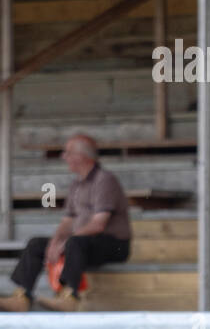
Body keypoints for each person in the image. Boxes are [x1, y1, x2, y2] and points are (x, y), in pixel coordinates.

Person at [0, 134, 131, 313]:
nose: (64, 157)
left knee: (74, 242)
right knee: (36, 244)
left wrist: (65, 242)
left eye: (68, 153)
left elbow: (99, 224)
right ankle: (22, 296)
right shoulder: (76, 184)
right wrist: (55, 242)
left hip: (113, 244)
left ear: (82, 156)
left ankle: (70, 296)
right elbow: (67, 220)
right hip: (82, 242)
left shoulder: (105, 180)